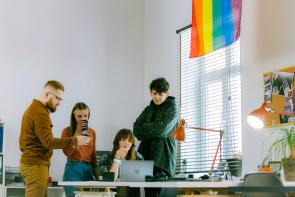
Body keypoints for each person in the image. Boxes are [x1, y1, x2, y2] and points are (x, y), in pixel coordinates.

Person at [19, 80, 90, 197]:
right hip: (35, 166)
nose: (59, 102)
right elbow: (48, 142)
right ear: (47, 94)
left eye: (61, 99)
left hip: (35, 165)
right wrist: (75, 140)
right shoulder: (40, 113)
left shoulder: (36, 109)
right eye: (58, 98)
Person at [133, 77, 178, 197]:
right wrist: (155, 128)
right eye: (154, 93)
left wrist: (146, 126)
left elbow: (162, 131)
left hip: (163, 160)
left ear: (167, 94)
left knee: (162, 194)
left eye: (161, 94)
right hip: (146, 158)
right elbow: (136, 130)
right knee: (149, 194)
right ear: (150, 93)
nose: (157, 97)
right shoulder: (148, 110)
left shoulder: (172, 110)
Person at [61, 102, 99, 197]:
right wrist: (77, 132)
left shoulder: (92, 132)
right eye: (79, 116)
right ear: (74, 116)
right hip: (73, 168)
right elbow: (67, 153)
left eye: (85, 116)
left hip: (88, 169)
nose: (83, 119)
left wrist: (98, 177)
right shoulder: (66, 131)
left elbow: (93, 155)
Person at [101, 128, 143, 197]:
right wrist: (116, 159)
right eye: (124, 139)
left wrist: (122, 180)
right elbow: (109, 181)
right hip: (112, 191)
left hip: (132, 192)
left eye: (129, 140)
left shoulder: (138, 157)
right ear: (118, 141)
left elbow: (141, 179)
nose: (127, 143)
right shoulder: (106, 157)